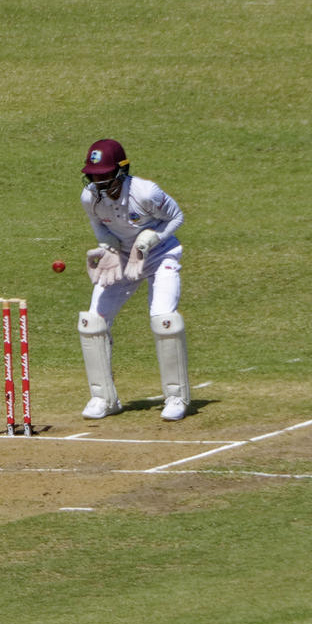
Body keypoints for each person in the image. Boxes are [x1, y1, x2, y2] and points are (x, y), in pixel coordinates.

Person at [76, 139, 191, 421]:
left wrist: (149, 239)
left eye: (104, 176)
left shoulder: (146, 192)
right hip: (123, 259)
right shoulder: (89, 197)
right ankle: (103, 398)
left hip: (160, 254)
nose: (99, 183)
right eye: (93, 176)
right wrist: (109, 248)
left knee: (163, 319)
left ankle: (177, 396)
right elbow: (100, 228)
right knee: (93, 323)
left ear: (122, 170)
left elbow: (175, 217)